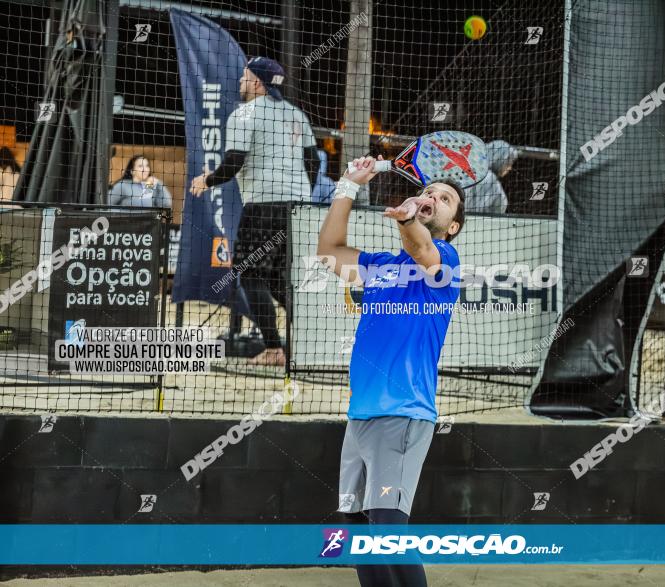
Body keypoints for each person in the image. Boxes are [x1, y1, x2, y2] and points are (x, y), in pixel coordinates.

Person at [317, 155, 464, 587]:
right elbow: (328, 252)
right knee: (355, 525)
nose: (435, 198)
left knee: (387, 527)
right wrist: (348, 184)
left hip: (403, 414)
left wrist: (406, 220)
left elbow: (422, 249)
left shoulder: (447, 261)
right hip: (360, 415)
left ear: (452, 225)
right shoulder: (382, 265)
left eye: (446, 199)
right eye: (431, 192)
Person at [190, 57, 319, 367]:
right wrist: (299, 195)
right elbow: (313, 163)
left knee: (249, 272)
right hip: (298, 209)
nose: (240, 82)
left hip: (263, 206)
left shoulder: (245, 114)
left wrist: (207, 180)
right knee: (277, 279)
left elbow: (234, 162)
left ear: (258, 83)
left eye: (245, 77)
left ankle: (274, 349)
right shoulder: (295, 114)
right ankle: (315, 340)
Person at [463, 139, 519, 213]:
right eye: (508, 162)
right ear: (500, 158)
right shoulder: (489, 178)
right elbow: (500, 206)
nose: (510, 167)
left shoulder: (470, 169)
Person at [108, 155, 172, 209]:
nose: (145, 169)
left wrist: (159, 183)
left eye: (147, 166)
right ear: (132, 171)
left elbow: (166, 205)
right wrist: (149, 187)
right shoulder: (122, 185)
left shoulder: (152, 185)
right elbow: (107, 204)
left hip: (149, 223)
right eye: (140, 166)